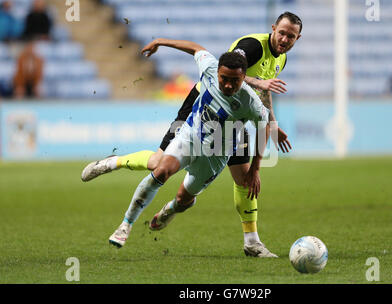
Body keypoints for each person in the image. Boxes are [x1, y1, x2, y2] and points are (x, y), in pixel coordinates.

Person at [81, 12, 302, 257]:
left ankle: (251, 242)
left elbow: (264, 91)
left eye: (290, 36)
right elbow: (230, 69)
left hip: (234, 119)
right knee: (158, 164)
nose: (284, 39)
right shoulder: (252, 47)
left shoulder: (280, 60)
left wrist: (272, 123)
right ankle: (113, 162)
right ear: (273, 28)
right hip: (204, 104)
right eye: (281, 33)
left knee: (245, 178)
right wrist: (161, 41)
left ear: (297, 38)